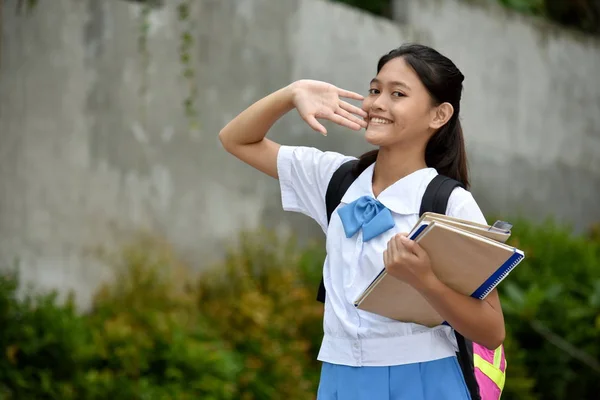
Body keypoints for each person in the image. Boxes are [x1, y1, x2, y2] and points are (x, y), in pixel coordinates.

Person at [218, 43, 505, 400]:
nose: (377, 104)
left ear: (439, 115)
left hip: (422, 378)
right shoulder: (334, 178)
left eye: (397, 94)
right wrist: (293, 93)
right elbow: (236, 139)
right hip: (339, 378)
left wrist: (425, 282)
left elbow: (492, 330)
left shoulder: (450, 203)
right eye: (374, 90)